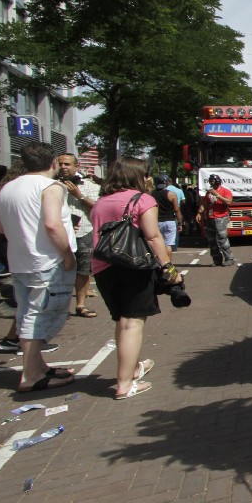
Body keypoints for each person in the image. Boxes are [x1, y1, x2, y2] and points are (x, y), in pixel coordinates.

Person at [90, 156, 180, 399]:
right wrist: (168, 268)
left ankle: (133, 368)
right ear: (137, 176)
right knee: (133, 322)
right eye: (145, 174)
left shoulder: (101, 201)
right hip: (133, 265)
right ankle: (125, 383)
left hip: (103, 267)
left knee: (121, 320)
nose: (148, 179)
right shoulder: (143, 200)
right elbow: (153, 236)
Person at [0, 142, 77, 393]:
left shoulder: (8, 188)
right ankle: (31, 375)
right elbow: (53, 224)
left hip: (20, 261)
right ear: (53, 163)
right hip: (47, 261)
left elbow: (0, 227)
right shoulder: (51, 187)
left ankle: (38, 366)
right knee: (41, 315)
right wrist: (67, 255)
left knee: (26, 313)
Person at [56, 153, 101, 318]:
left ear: (76, 166)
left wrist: (78, 195)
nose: (63, 167)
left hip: (84, 232)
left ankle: (80, 305)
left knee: (83, 270)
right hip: (58, 234)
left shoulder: (90, 186)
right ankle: (59, 306)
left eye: (67, 164)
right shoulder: (51, 185)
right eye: (60, 164)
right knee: (58, 271)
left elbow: (97, 208)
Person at [198, 174, 234, 266]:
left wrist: (217, 195)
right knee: (212, 240)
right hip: (210, 218)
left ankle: (229, 258)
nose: (211, 183)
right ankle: (217, 260)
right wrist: (199, 212)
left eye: (213, 181)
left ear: (218, 181)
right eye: (210, 181)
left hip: (221, 218)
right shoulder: (209, 192)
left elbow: (229, 202)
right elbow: (205, 203)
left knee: (222, 239)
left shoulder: (225, 191)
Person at [151, 175, 184, 254]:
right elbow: (176, 210)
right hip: (169, 220)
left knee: (158, 243)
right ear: (166, 183)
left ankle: (159, 259)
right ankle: (168, 260)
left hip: (156, 221)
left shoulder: (151, 194)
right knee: (168, 244)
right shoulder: (171, 194)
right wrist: (180, 222)